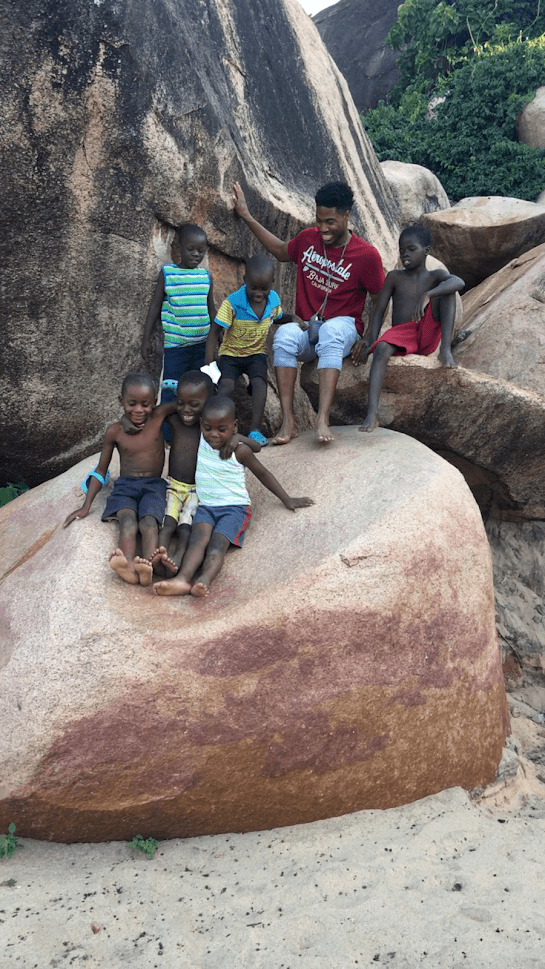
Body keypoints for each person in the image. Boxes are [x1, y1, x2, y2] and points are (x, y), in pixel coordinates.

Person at [232, 180, 385, 444]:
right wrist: (247, 216)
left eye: (330, 222)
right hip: (308, 326)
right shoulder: (307, 240)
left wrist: (370, 337)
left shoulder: (366, 255)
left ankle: (322, 418)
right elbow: (280, 250)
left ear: (346, 216)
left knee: (331, 332)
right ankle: (288, 422)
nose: (323, 228)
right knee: (284, 337)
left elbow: (380, 297)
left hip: (343, 327)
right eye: (318, 220)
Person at [153, 395, 314, 597]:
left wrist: (287, 499)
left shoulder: (239, 451)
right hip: (206, 507)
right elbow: (182, 410)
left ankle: (204, 580)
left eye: (222, 429)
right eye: (208, 428)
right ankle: (183, 580)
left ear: (234, 426)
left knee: (217, 545)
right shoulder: (202, 440)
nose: (214, 435)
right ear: (201, 425)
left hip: (234, 509)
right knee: (197, 541)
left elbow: (262, 468)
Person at [63, 373, 178, 586]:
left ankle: (148, 566)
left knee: (149, 523)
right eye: (131, 404)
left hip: (153, 486)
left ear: (154, 402)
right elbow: (100, 470)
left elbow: (187, 402)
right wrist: (86, 506)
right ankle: (128, 566)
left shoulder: (159, 416)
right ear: (121, 401)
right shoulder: (115, 431)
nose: (138, 410)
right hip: (125, 487)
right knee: (128, 522)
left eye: (145, 404)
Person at [354, 224, 465, 433]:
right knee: (381, 349)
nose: (405, 253)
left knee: (447, 292)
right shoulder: (394, 277)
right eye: (402, 249)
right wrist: (371, 340)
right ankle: (372, 413)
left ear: (426, 251)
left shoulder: (435, 276)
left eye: (411, 249)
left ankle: (446, 349)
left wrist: (429, 294)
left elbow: (459, 282)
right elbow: (379, 310)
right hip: (402, 334)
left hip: (426, 332)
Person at [150, 370, 261, 577]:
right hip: (173, 486)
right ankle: (159, 557)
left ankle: (177, 560)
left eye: (194, 404)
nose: (186, 410)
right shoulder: (176, 421)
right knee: (167, 524)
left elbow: (254, 447)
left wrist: (237, 436)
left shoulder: (209, 431)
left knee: (186, 530)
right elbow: (156, 412)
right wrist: (181, 402)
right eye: (181, 403)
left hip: (197, 491)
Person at [205, 253, 292, 447]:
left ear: (272, 284)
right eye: (253, 288)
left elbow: (278, 317)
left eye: (264, 288)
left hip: (256, 354)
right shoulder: (233, 302)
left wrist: (293, 318)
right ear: (245, 281)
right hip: (231, 355)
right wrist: (209, 360)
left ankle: (255, 430)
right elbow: (215, 330)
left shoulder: (273, 300)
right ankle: (224, 428)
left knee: (260, 385)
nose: (259, 293)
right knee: (226, 387)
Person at [141, 223, 215, 442]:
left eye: (201, 250)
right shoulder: (168, 274)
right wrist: (146, 338)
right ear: (179, 249)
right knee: (171, 390)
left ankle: (200, 435)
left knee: (202, 390)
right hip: (176, 347)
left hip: (202, 346)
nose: (196, 254)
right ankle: (166, 436)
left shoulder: (206, 277)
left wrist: (218, 339)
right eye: (190, 249)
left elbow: (212, 309)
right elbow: (155, 306)